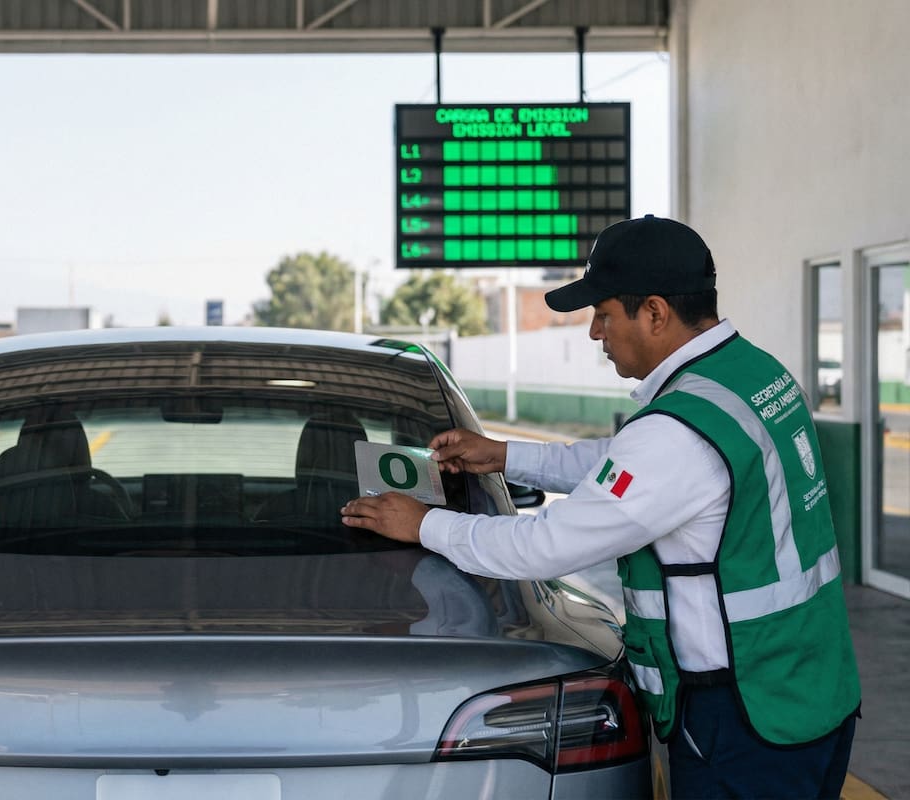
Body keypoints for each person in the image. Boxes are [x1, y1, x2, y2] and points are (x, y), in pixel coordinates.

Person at [341, 215, 861, 800]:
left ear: (656, 313)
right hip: (812, 686)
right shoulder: (749, 375)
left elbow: (543, 546)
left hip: (743, 717)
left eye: (605, 314)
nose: (595, 333)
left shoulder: (676, 434)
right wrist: (506, 457)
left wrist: (424, 523)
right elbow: (632, 463)